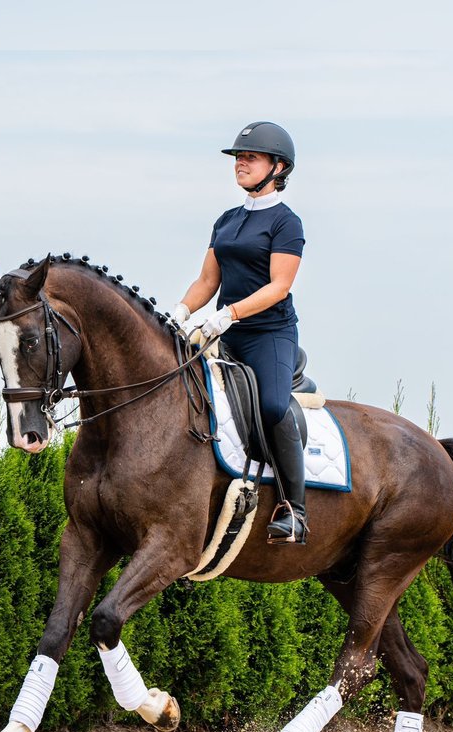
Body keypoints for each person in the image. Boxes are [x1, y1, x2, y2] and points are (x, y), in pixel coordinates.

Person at [173, 121, 307, 544]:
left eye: (250, 157)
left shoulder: (287, 223)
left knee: (270, 406)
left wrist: (229, 315)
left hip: (268, 334)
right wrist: (180, 310)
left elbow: (278, 286)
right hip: (223, 334)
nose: (241, 163)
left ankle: (295, 510)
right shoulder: (226, 221)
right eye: (238, 158)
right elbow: (207, 281)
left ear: (278, 167)